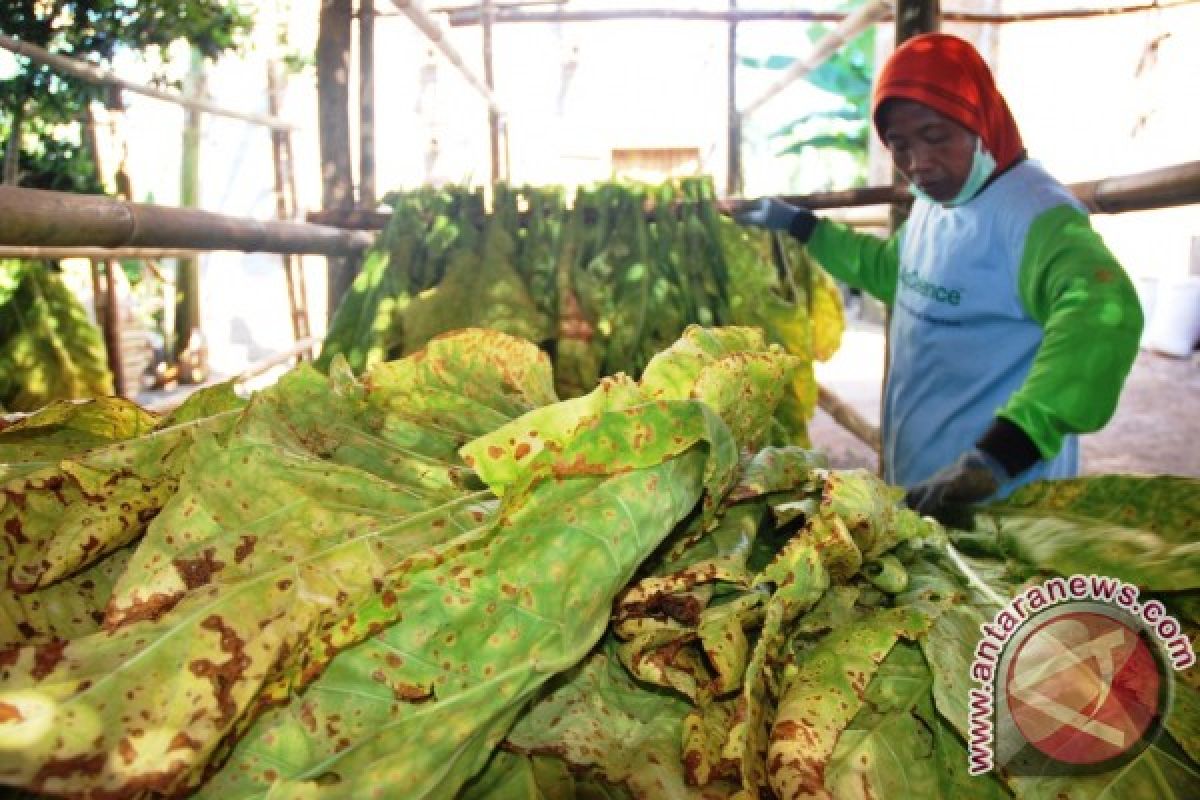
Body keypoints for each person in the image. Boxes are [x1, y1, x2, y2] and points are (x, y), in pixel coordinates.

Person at [735, 32, 1143, 522]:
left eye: (935, 137)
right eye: (899, 146)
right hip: (921, 484)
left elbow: (1103, 314)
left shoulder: (1035, 215)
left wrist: (1006, 449)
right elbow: (892, 272)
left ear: (979, 121)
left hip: (997, 498)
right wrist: (802, 225)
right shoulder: (935, 204)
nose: (917, 164)